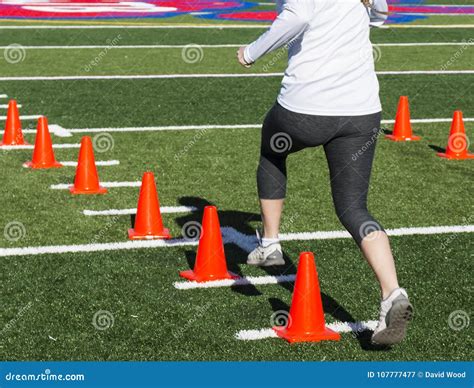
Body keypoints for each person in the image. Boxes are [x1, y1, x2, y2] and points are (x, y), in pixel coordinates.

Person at [236, 0, 413, 345]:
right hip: (361, 112)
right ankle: (392, 293)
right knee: (353, 208)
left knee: (272, 151)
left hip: (306, 109)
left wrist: (251, 52)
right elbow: (380, 14)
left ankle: (270, 243)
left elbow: (298, 15)